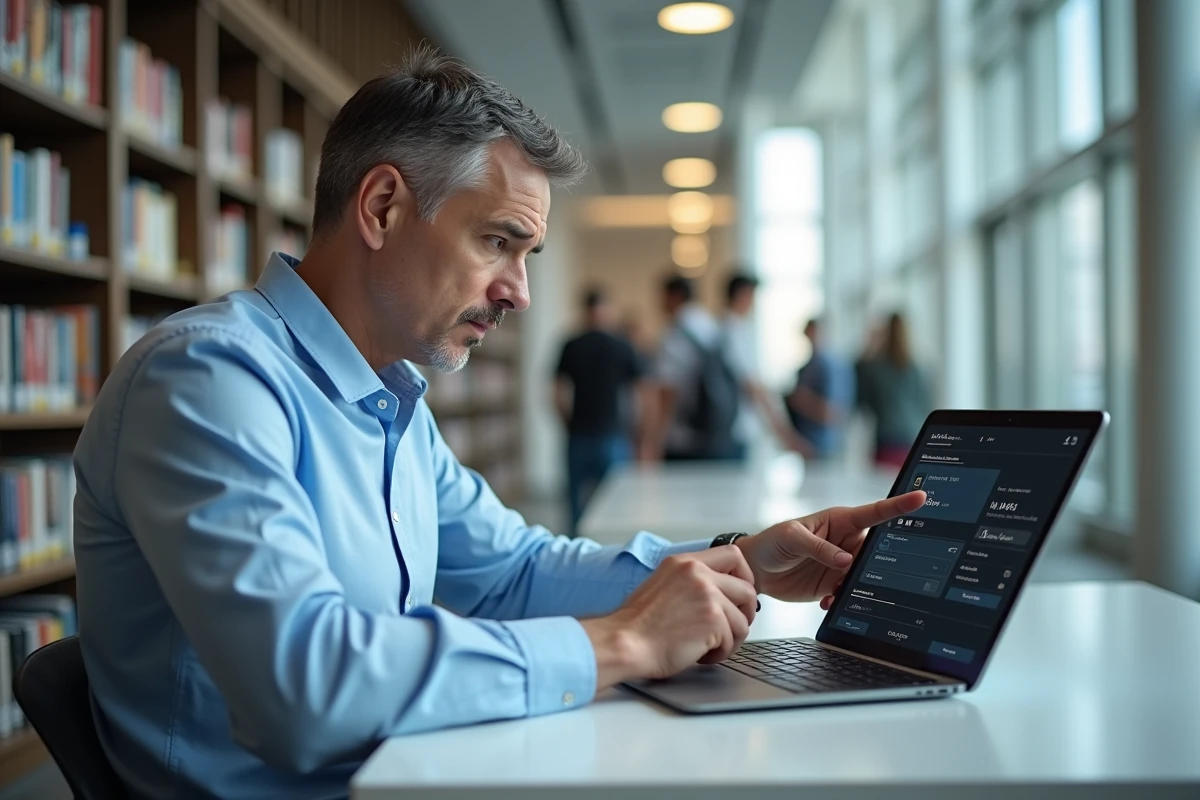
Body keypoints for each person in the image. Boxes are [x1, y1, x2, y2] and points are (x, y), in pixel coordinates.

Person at [72, 48, 924, 799]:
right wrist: (621, 643)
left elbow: (512, 573)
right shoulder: (208, 380)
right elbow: (306, 689)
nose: (519, 291)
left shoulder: (391, 401)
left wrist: (736, 561)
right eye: (497, 242)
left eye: (526, 254)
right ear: (382, 208)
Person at [553, 288, 650, 535]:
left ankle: (576, 548)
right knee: (617, 503)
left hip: (579, 433)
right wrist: (638, 433)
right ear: (607, 310)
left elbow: (557, 393)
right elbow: (639, 394)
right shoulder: (622, 345)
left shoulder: (571, 345)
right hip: (613, 434)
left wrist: (568, 423)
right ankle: (614, 548)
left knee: (576, 503)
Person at [722, 273, 813, 458]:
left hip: (734, 429)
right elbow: (752, 387)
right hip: (734, 429)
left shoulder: (731, 330)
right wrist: (786, 435)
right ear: (742, 295)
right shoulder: (732, 334)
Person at [856, 312, 932, 468]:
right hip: (911, 437)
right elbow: (924, 404)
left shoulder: (874, 369)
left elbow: (861, 400)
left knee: (884, 481)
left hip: (887, 438)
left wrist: (870, 346)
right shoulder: (916, 369)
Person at [785, 318, 856, 459]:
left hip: (822, 442)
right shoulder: (808, 368)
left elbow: (837, 413)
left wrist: (804, 401)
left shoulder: (832, 366)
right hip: (813, 440)